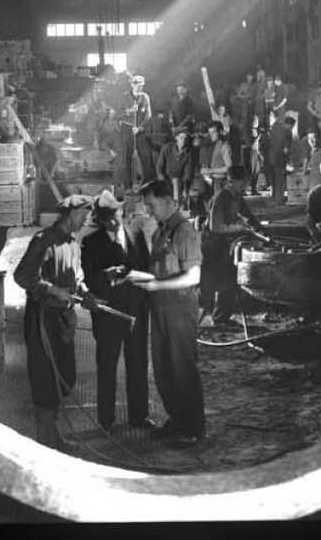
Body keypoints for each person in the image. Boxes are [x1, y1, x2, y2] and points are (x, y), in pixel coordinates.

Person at [12, 193, 94, 449]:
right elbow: (22, 276)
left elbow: (77, 276)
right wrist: (54, 290)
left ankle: (52, 434)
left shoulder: (73, 243)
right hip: (42, 319)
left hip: (63, 320)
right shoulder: (44, 240)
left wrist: (85, 291)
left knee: (64, 377)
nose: (86, 221)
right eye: (84, 215)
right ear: (72, 214)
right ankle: (46, 439)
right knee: (45, 377)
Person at [130, 179, 205, 445]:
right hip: (160, 308)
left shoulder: (184, 231)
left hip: (179, 310)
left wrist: (156, 285)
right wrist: (137, 277)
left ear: (168, 201)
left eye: (152, 206)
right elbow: (159, 270)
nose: (149, 212)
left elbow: (193, 276)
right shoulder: (160, 232)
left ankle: (193, 428)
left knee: (182, 368)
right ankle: (177, 419)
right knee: (163, 368)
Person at [78, 192, 155, 430]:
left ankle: (139, 417)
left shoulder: (136, 234)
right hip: (108, 314)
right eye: (106, 219)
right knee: (107, 366)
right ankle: (106, 420)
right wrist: (106, 275)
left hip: (136, 311)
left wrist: (145, 299)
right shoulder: (91, 243)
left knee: (138, 364)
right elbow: (88, 279)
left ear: (121, 212)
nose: (112, 222)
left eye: (115, 215)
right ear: (99, 220)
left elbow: (147, 268)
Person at [201, 165, 259, 328]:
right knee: (223, 281)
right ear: (231, 181)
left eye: (246, 183)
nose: (245, 187)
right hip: (212, 244)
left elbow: (249, 217)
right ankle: (217, 318)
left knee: (230, 279)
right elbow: (215, 226)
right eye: (242, 184)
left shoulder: (237, 196)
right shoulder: (222, 197)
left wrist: (262, 231)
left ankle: (221, 316)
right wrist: (238, 228)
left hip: (223, 243)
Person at [157, 128, 198, 198]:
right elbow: (160, 164)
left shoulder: (188, 153)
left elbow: (187, 172)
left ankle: (177, 201)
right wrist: (160, 175)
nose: (183, 140)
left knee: (179, 188)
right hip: (166, 178)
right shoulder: (167, 148)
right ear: (176, 138)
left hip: (179, 180)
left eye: (185, 138)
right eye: (181, 138)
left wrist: (185, 188)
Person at [266, 112, 295, 205]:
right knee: (280, 179)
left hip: (272, 157)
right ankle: (279, 199)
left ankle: (274, 197)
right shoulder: (287, 132)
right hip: (281, 158)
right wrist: (289, 159)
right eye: (292, 126)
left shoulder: (275, 128)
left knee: (274, 179)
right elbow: (286, 148)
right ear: (290, 125)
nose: (292, 128)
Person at [199, 120, 233, 189]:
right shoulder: (213, 145)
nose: (210, 135)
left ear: (220, 132)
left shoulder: (225, 146)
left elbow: (229, 167)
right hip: (212, 181)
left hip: (221, 181)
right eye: (209, 132)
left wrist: (210, 170)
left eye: (213, 132)